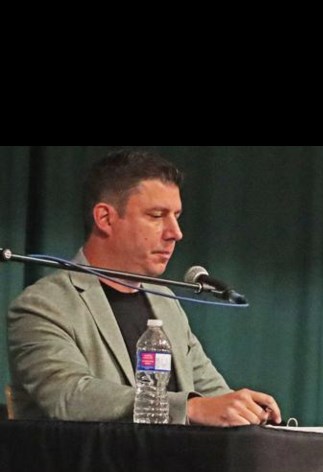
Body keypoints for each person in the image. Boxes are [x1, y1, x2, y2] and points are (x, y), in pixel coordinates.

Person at [6, 149, 282, 427]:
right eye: (157, 215)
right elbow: (69, 396)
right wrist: (188, 408)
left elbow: (212, 392)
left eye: (176, 215)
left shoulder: (165, 303)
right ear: (105, 218)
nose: (175, 232)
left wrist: (247, 413)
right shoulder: (43, 306)